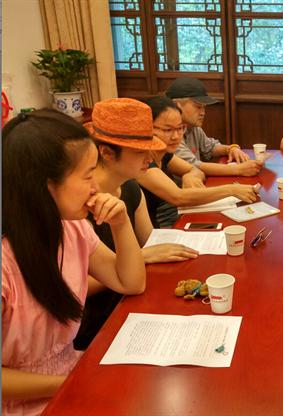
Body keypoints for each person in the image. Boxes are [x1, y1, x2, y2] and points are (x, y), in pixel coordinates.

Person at [2, 110, 146, 415]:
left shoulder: (72, 228)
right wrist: (71, 382)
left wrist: (121, 223)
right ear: (45, 185)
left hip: (73, 374)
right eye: (87, 175)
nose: (96, 187)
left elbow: (130, 282)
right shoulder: (5, 261)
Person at [73, 98, 200, 351]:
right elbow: (73, 287)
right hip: (94, 326)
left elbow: (152, 243)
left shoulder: (130, 188)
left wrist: (148, 255)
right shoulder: (75, 207)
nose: (150, 157)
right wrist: (142, 257)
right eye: (140, 151)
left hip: (134, 302)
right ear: (107, 153)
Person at [136, 96, 260, 227]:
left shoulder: (165, 154)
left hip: (178, 215)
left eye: (180, 128)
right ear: (146, 128)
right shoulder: (141, 162)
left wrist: (188, 175)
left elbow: (194, 169)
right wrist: (232, 190)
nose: (176, 136)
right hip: (161, 227)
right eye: (168, 130)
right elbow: (178, 197)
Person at [166, 77, 262, 177]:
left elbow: (210, 147)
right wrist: (239, 169)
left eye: (204, 107)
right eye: (198, 107)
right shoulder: (169, 133)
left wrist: (231, 149)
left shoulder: (193, 127)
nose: (203, 113)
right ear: (176, 105)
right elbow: (192, 166)